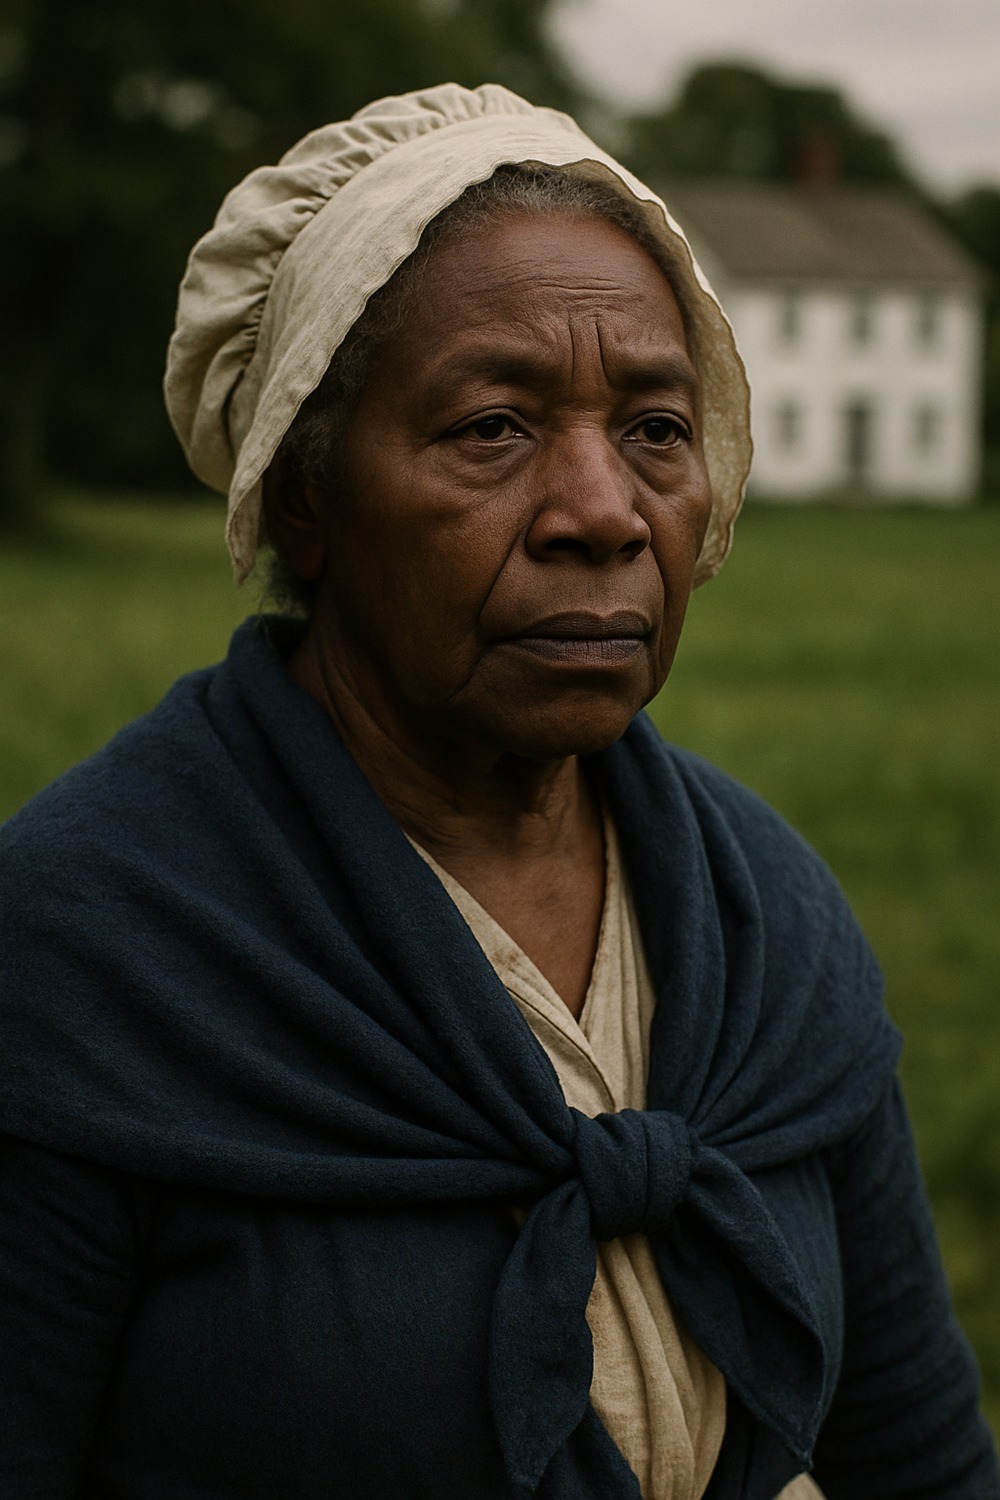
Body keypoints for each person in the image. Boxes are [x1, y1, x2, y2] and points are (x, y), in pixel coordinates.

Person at [0, 83, 996, 1500]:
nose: (601, 509)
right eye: (492, 427)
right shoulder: (81, 949)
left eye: (656, 427)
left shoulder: (767, 918)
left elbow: (922, 1462)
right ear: (305, 492)